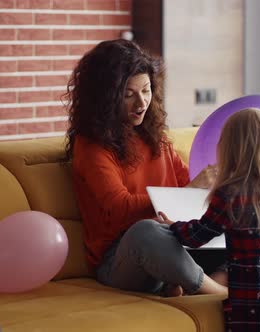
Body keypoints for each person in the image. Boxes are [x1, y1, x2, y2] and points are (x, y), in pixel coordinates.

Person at [64, 39, 226, 297]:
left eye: (146, 90)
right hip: (124, 256)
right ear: (105, 98)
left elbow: (188, 186)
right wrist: (187, 190)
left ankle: (205, 281)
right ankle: (216, 292)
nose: (141, 103)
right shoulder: (91, 146)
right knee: (146, 232)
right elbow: (118, 209)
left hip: (178, 241)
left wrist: (224, 191)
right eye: (128, 95)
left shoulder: (155, 137)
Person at [158, 108, 260, 332]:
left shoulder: (230, 193)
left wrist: (173, 225)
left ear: (230, 148)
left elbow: (198, 235)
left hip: (257, 287)